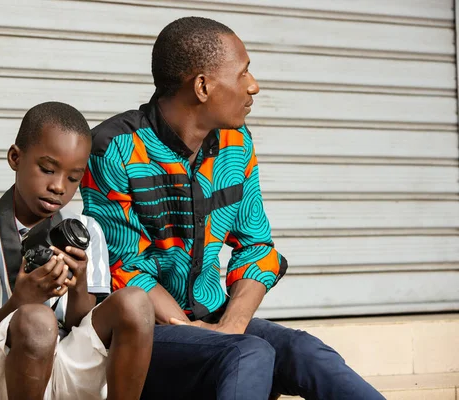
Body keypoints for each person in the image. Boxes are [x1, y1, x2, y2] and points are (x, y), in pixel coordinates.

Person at [81, 17, 385, 400]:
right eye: (243, 73)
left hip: (217, 320)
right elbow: (124, 269)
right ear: (203, 86)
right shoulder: (114, 149)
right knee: (248, 353)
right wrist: (206, 337)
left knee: (305, 351)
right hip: (141, 336)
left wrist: (230, 326)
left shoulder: (235, 143)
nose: (253, 86)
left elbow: (256, 246)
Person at [0, 102, 155, 400]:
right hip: (2, 371)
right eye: (47, 169)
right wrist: (19, 301)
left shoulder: (86, 230)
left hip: (68, 366)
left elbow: (81, 325)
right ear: (16, 158)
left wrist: (79, 282)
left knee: (135, 301)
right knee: (38, 321)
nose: (58, 187)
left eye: (73, 178)